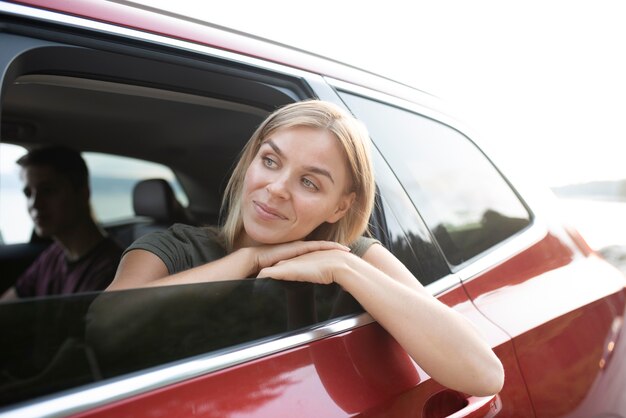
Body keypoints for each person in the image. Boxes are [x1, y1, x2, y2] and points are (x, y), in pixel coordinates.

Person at [108, 100, 504, 396]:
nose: (277, 188)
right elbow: (102, 329)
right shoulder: (172, 247)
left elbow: (483, 375)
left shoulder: (355, 256)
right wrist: (249, 258)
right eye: (270, 161)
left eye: (309, 183)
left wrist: (347, 270)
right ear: (252, 162)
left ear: (341, 206)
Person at [1, 146, 123, 300]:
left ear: (83, 193)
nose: (35, 204)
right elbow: (8, 305)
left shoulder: (111, 271)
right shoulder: (53, 255)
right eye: (28, 193)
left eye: (48, 190)